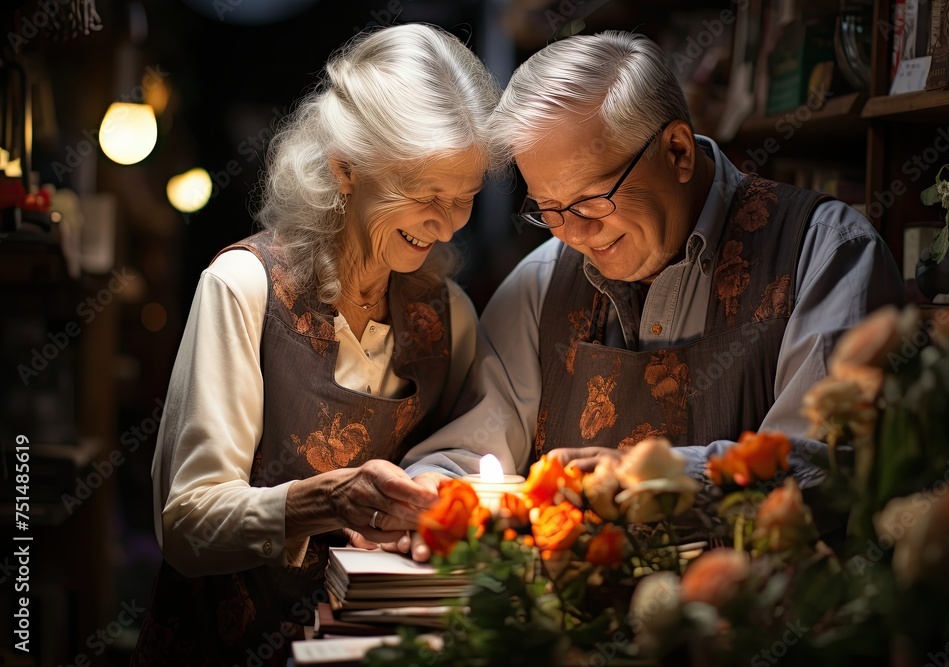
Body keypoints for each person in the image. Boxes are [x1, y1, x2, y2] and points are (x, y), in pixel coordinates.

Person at [132, 23, 500, 666]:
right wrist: (326, 500)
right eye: (424, 195)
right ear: (345, 169)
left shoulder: (453, 320)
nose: (446, 225)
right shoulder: (244, 287)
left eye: (464, 198)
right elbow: (186, 526)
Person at [402, 31, 903, 502]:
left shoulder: (823, 253)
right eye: (548, 209)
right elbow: (468, 448)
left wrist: (658, 479)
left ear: (678, 152)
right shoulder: (541, 283)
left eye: (591, 201)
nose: (573, 235)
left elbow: (831, 466)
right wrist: (427, 491)